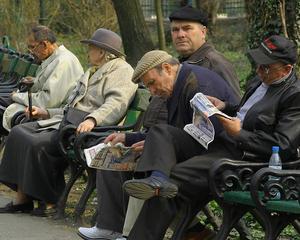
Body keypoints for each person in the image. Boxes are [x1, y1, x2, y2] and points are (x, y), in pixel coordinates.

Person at [123, 35, 300, 239]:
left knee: (172, 182)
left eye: (266, 67)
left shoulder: (294, 95)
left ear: (286, 69)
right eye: (258, 64)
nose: (259, 71)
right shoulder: (260, 81)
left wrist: (239, 133)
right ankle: (157, 178)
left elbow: (283, 145)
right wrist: (224, 106)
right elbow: (246, 111)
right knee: (161, 132)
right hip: (223, 144)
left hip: (246, 161)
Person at [77, 50, 238, 240]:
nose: (152, 91)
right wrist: (129, 139)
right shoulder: (177, 83)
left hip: (217, 152)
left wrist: (154, 146)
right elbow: (176, 132)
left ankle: (136, 232)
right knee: (113, 156)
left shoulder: (199, 83)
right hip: (192, 147)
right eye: (148, 87)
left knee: (153, 173)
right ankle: (109, 227)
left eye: (152, 83)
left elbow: (210, 134)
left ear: (167, 69)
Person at [0, 28, 137, 214]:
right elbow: (71, 105)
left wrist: (93, 119)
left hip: (87, 130)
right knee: (19, 132)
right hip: (68, 121)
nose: (88, 51)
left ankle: (50, 200)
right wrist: (46, 112)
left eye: (91, 48)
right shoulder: (94, 69)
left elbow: (116, 104)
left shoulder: (122, 71)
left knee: (35, 143)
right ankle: (22, 199)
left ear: (102, 52)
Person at [0, 25, 84, 134]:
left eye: (32, 47)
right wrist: (35, 80)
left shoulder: (63, 62)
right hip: (40, 108)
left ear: (44, 44)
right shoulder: (55, 58)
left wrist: (17, 96)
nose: (30, 52)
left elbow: (47, 101)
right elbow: (50, 84)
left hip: (52, 115)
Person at [170, 5, 241, 99]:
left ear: (203, 32)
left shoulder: (216, 64)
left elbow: (235, 105)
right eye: (175, 30)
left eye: (187, 28)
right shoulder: (177, 64)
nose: (180, 35)